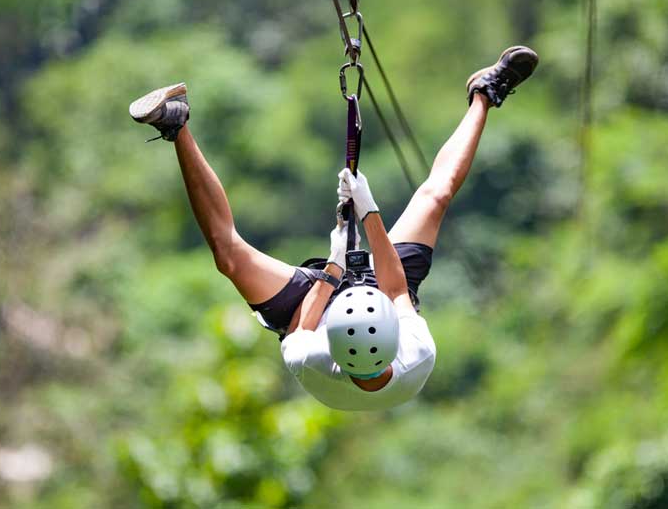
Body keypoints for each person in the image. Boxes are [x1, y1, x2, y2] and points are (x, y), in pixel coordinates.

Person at [128, 45, 538, 411]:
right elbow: (394, 290)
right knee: (436, 195)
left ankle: (176, 124)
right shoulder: (416, 352)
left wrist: (334, 266)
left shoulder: (312, 358)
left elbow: (306, 325)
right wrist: (368, 207)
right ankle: (486, 92)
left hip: (314, 308)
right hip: (381, 291)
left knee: (228, 256)